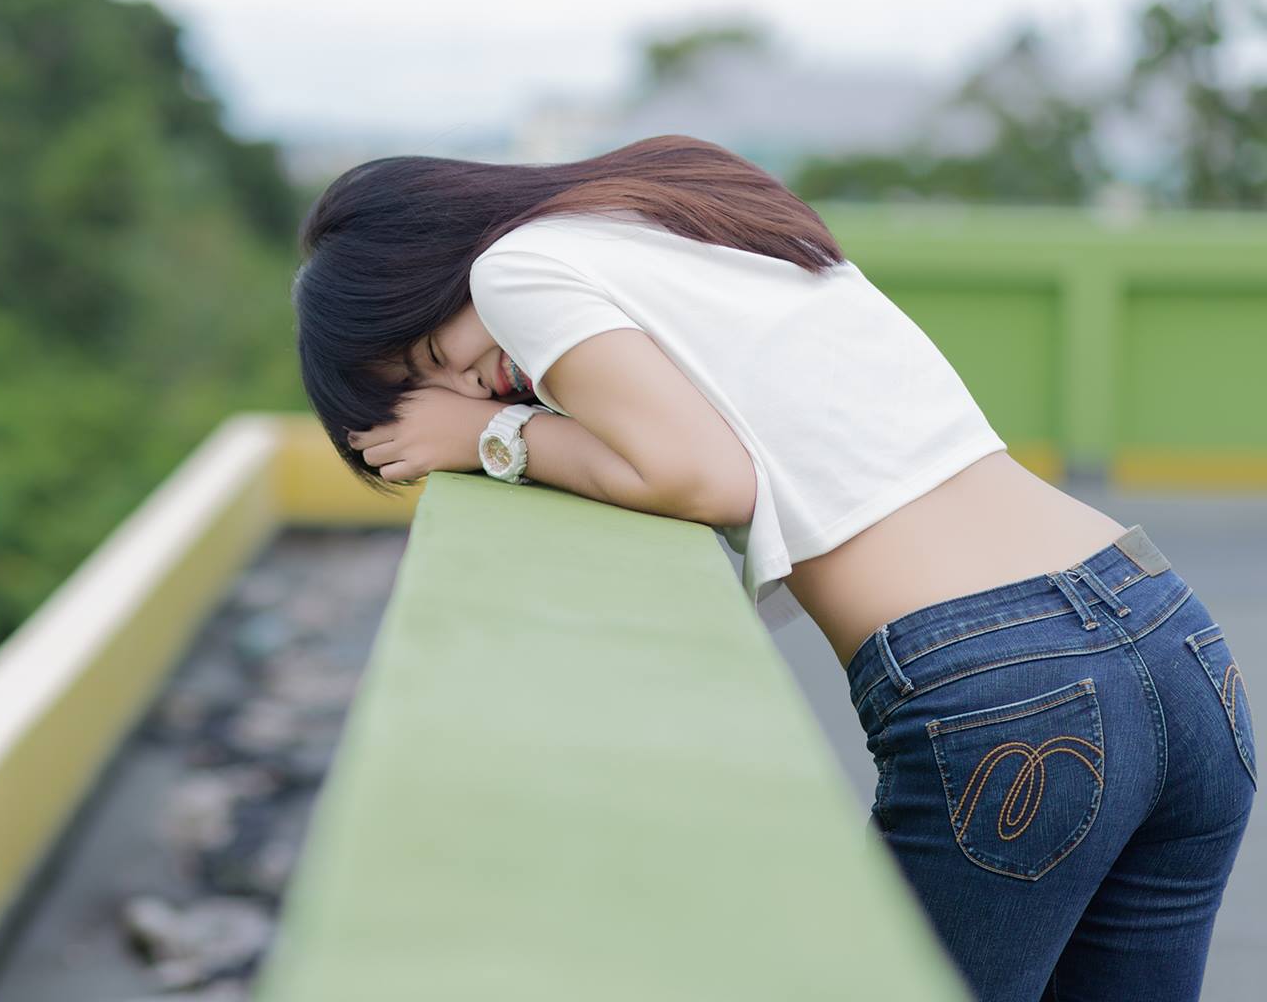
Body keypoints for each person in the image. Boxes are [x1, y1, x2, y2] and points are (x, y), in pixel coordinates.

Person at [290, 134, 1256, 1000]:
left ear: (432, 266)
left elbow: (705, 478)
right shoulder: (673, 202)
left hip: (1007, 688)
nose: (465, 381)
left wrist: (491, 436)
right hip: (1168, 629)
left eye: (431, 352)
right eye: (426, 390)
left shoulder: (512, 271)